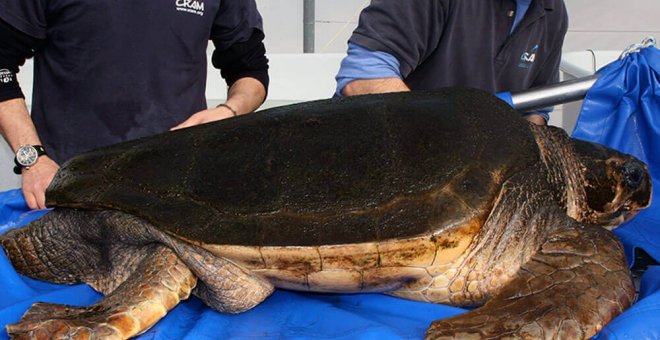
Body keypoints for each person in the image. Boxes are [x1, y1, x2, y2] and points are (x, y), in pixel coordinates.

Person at [0, 0, 269, 210]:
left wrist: (230, 111)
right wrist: (33, 160)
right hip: (71, 192)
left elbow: (250, 69)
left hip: (179, 196)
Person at [335, 0, 568, 125]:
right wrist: (449, 138)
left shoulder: (553, 12)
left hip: (467, 173)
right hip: (376, 153)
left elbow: (535, 109)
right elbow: (363, 78)